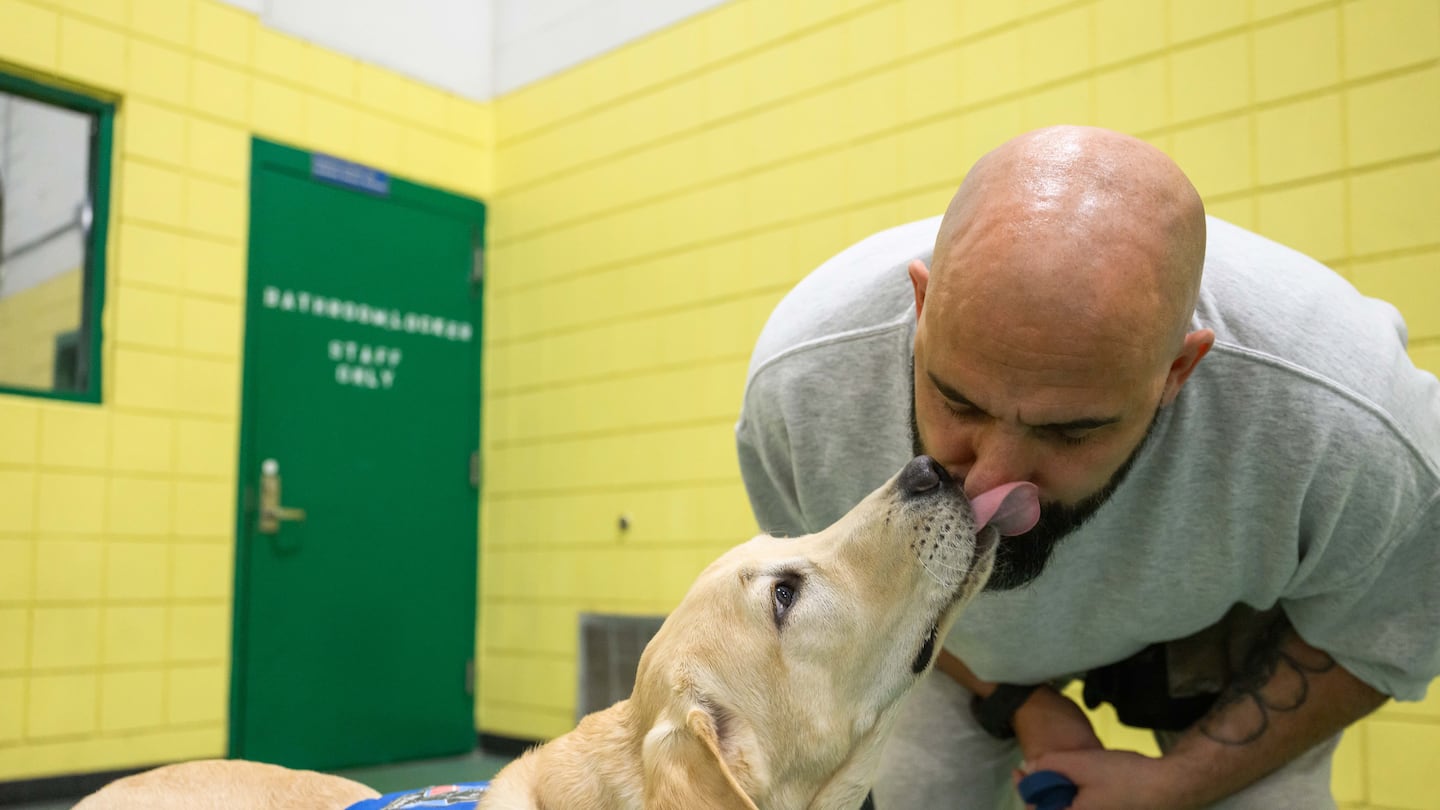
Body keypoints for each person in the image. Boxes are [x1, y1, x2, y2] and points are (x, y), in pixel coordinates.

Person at [735, 125, 1440, 809]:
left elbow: (1378, 635)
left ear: (1180, 369)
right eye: (957, 401)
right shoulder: (802, 385)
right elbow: (856, 598)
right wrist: (1015, 699)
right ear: (922, 306)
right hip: (960, 634)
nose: (989, 485)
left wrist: (1177, 784)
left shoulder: (1348, 425)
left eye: (1071, 431)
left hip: (1219, 631)